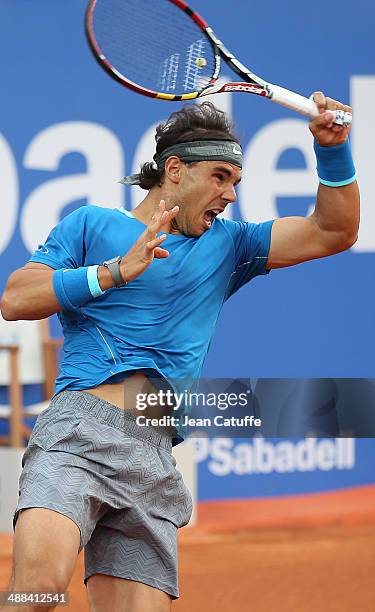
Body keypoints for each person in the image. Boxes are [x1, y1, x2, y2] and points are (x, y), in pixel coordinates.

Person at [0, 93, 359, 612]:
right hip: (79, 435)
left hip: (155, 455)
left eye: (236, 181)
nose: (230, 194)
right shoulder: (91, 225)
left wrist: (334, 150)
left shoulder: (232, 246)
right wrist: (114, 271)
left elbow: (334, 231)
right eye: (219, 177)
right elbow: (15, 299)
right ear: (174, 170)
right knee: (38, 591)